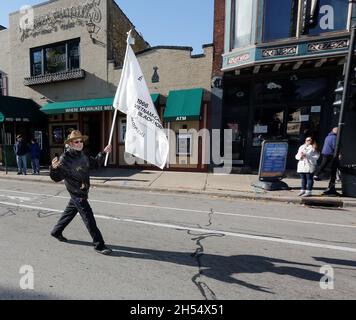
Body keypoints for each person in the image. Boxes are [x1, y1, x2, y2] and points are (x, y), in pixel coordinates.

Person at [49, 130, 113, 255]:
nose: (79, 143)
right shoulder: (65, 159)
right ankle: (99, 244)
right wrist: (54, 168)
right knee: (89, 219)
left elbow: (94, 163)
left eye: (81, 141)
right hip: (77, 193)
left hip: (82, 191)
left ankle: (56, 231)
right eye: (76, 142)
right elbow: (57, 178)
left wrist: (104, 153)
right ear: (71, 143)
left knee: (69, 213)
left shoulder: (82, 155)